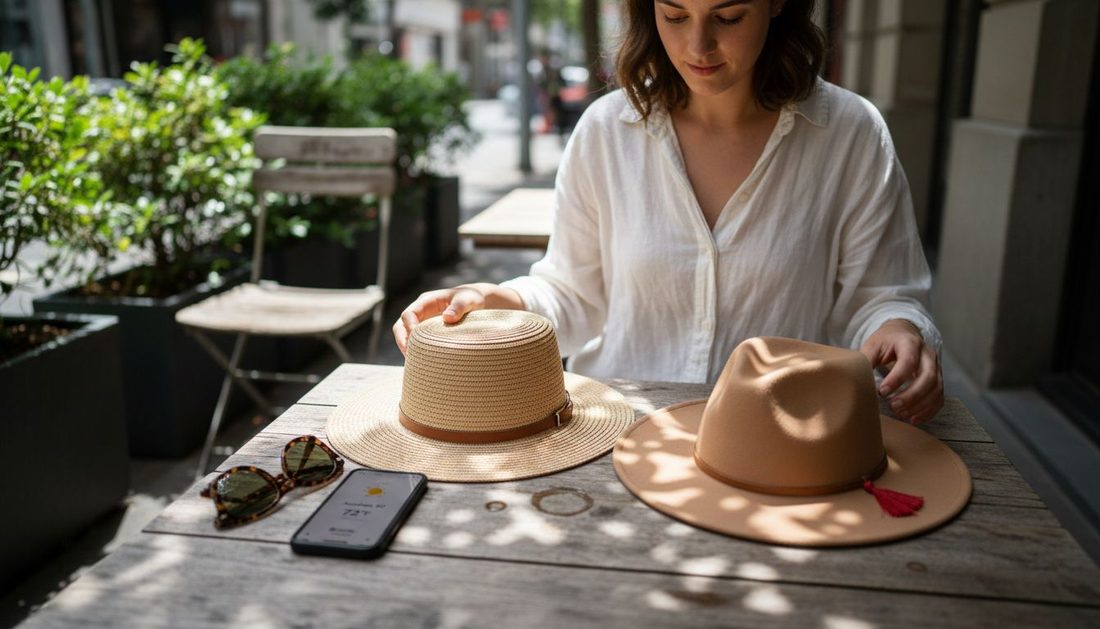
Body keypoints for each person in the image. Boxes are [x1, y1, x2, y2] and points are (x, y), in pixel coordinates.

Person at [394, 0, 944, 425]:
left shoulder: (850, 134)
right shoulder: (606, 132)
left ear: (777, 4)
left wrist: (899, 329)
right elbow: (574, 294)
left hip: (781, 442)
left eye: (728, 16)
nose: (698, 45)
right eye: (674, 15)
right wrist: (500, 302)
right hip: (616, 429)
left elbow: (883, 295)